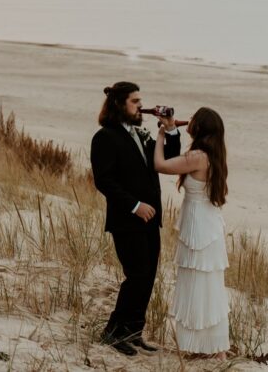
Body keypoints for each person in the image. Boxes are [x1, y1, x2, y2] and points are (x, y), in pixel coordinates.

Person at [90, 81, 181, 356]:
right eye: (135, 101)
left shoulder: (141, 134)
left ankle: (133, 332)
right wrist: (134, 205)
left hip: (151, 220)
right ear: (119, 104)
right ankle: (113, 333)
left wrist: (171, 129)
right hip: (127, 219)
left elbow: (169, 158)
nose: (141, 106)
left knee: (148, 276)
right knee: (136, 275)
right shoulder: (105, 137)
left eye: (141, 101)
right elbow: (104, 181)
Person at [154, 106, 230, 360]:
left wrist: (162, 135)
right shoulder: (212, 154)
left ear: (199, 127)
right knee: (207, 284)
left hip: (200, 226)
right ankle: (213, 347)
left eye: (194, 118)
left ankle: (203, 346)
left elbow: (161, 165)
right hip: (206, 222)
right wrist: (172, 127)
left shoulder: (198, 155)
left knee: (198, 284)